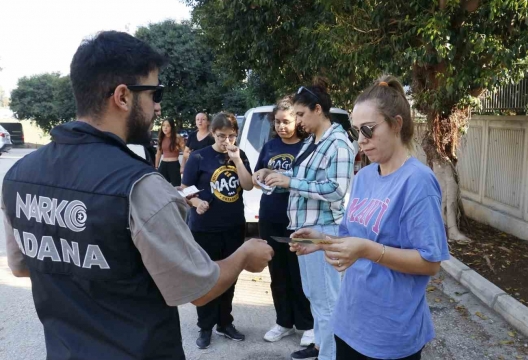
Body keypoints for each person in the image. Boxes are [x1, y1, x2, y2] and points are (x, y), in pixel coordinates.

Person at [1, 31, 273, 360]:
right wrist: (244, 255)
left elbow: (21, 266)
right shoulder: (140, 186)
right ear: (122, 96)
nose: (158, 107)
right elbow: (198, 290)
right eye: (154, 93)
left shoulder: (19, 176)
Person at [291, 76, 450, 360]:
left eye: (368, 129)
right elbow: (353, 237)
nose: (361, 140)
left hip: (389, 333)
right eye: (356, 131)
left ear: (396, 124)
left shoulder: (418, 182)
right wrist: (323, 240)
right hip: (349, 321)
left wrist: (368, 251)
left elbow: (430, 262)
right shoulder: (364, 177)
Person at [259, 77, 355, 360]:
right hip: (307, 230)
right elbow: (301, 178)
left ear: (317, 109)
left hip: (324, 230)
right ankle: (321, 348)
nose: (298, 121)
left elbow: (337, 190)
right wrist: (275, 177)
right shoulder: (313, 142)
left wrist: (291, 183)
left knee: (327, 301)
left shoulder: (338, 143)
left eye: (300, 114)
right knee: (316, 296)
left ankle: (330, 355)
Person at [182, 112, 254, 349]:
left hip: (233, 226)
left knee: (230, 277)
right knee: (207, 278)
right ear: (213, 133)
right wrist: (196, 203)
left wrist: (237, 160)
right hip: (205, 229)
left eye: (231, 136)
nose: (226, 140)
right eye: (221, 135)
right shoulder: (199, 157)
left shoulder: (239, 155)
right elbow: (185, 189)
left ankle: (225, 322)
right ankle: (205, 327)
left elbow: (247, 185)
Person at [253, 96, 314, 346]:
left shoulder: (307, 147)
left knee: (300, 273)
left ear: (297, 120)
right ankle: (283, 322)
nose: (281, 126)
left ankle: (308, 324)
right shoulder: (269, 146)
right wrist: (260, 176)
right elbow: (258, 173)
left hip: (298, 220)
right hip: (270, 217)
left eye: (286, 121)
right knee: (277, 273)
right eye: (277, 122)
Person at [156, 118, 184, 185]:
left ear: (172, 127)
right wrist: (156, 167)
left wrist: (183, 166)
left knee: (176, 187)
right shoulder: (161, 138)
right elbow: (158, 154)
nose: (165, 128)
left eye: (168, 126)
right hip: (163, 164)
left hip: (174, 165)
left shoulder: (177, 137)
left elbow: (185, 152)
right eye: (163, 125)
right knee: (159, 185)